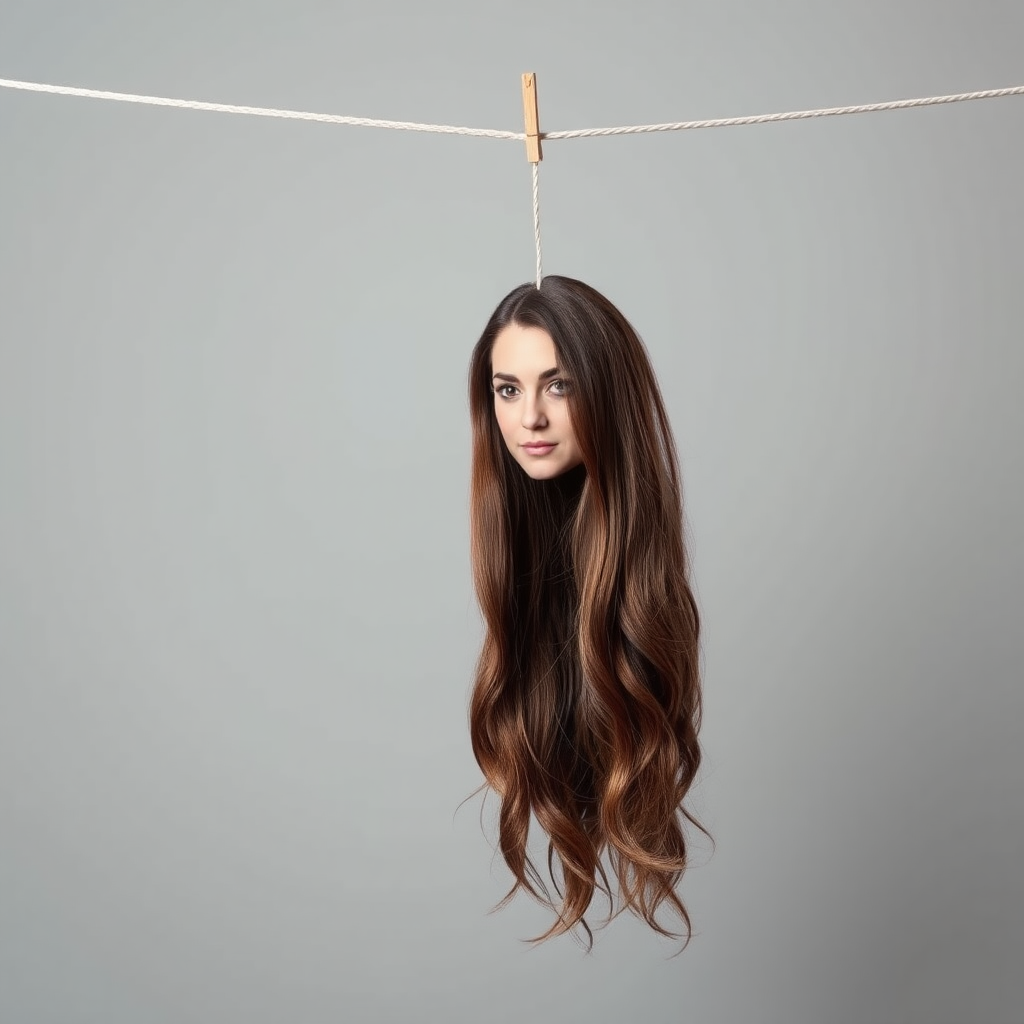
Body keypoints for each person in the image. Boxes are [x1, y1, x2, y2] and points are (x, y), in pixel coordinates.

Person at [467, 276, 704, 947]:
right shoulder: (513, 551)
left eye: (558, 384)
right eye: (507, 388)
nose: (529, 417)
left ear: (604, 393)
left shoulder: (637, 599)